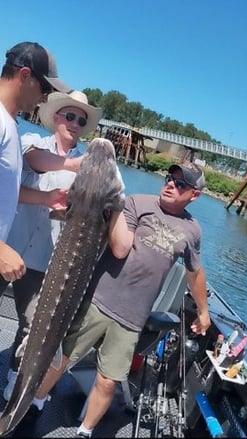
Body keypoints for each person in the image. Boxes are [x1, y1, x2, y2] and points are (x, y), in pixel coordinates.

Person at [33, 162, 211, 438]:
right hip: (96, 301)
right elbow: (118, 247)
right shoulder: (137, 203)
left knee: (107, 381)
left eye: (181, 184)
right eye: (169, 178)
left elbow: (195, 271)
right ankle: (35, 404)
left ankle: (84, 431)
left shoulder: (193, 231)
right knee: (59, 360)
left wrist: (203, 312)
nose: (171, 185)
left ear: (195, 194)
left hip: (132, 317)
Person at [1, 90, 102, 401]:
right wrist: (73, 167)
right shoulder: (33, 142)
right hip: (10, 247)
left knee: (33, 327)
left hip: (47, 260)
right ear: (56, 116)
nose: (74, 123)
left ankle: (15, 387)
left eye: (81, 120)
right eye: (69, 115)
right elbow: (31, 165)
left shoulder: (92, 170)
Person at [0, 41, 71, 284]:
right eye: (45, 88)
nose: (45, 97)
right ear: (25, 75)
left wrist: (46, 198)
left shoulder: (10, 124)